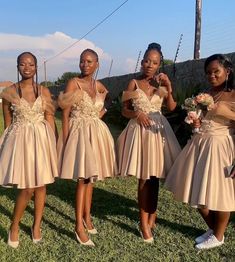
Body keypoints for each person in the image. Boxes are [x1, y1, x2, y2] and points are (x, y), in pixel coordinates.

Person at [165, 54, 235, 250]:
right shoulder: (206, 92)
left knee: (220, 194)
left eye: (216, 71)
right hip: (199, 144)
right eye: (208, 73)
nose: (211, 76)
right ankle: (213, 229)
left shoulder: (233, 94)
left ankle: (219, 235)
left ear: (227, 72)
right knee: (195, 190)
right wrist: (195, 122)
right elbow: (201, 119)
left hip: (221, 146)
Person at [117, 43, 181, 243]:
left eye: (154, 62)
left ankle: (152, 215)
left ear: (159, 64)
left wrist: (169, 87)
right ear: (142, 61)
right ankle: (143, 223)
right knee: (144, 178)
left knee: (155, 177)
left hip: (159, 132)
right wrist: (136, 113)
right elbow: (124, 111)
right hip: (141, 132)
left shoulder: (161, 84)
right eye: (146, 61)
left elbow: (171, 108)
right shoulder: (133, 83)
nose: (149, 65)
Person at [57, 48, 117, 246]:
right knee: (82, 179)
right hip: (79, 133)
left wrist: (99, 113)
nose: (85, 65)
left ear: (97, 64)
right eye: (82, 61)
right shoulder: (73, 83)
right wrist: (65, 140)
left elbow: (105, 104)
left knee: (91, 179)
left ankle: (87, 217)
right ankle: (78, 226)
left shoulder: (98, 85)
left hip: (96, 134)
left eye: (89, 61)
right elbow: (65, 113)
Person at [0, 52, 58, 248]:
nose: (27, 67)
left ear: (36, 68)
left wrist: (53, 143)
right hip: (21, 143)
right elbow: (8, 124)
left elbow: (50, 117)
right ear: (17, 66)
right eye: (22, 64)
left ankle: (36, 226)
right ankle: (14, 226)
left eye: (31, 64)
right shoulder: (9, 92)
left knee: (41, 186)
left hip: (42, 140)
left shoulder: (44, 91)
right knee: (27, 188)